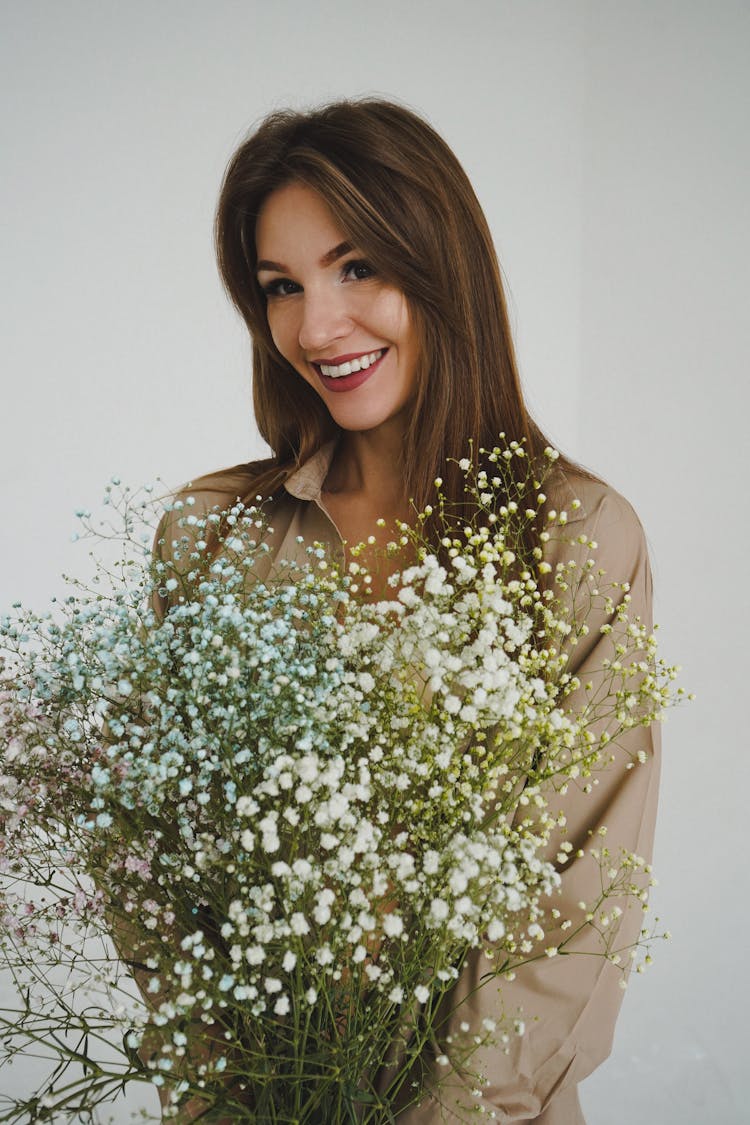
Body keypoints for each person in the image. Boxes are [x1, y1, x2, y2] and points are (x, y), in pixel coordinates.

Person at [156, 98, 660, 1123]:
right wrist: (225, 1102)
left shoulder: (577, 539)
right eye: (280, 287)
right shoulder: (209, 540)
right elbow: (163, 873)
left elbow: (570, 900)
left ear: (441, 268)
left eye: (357, 269)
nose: (316, 326)